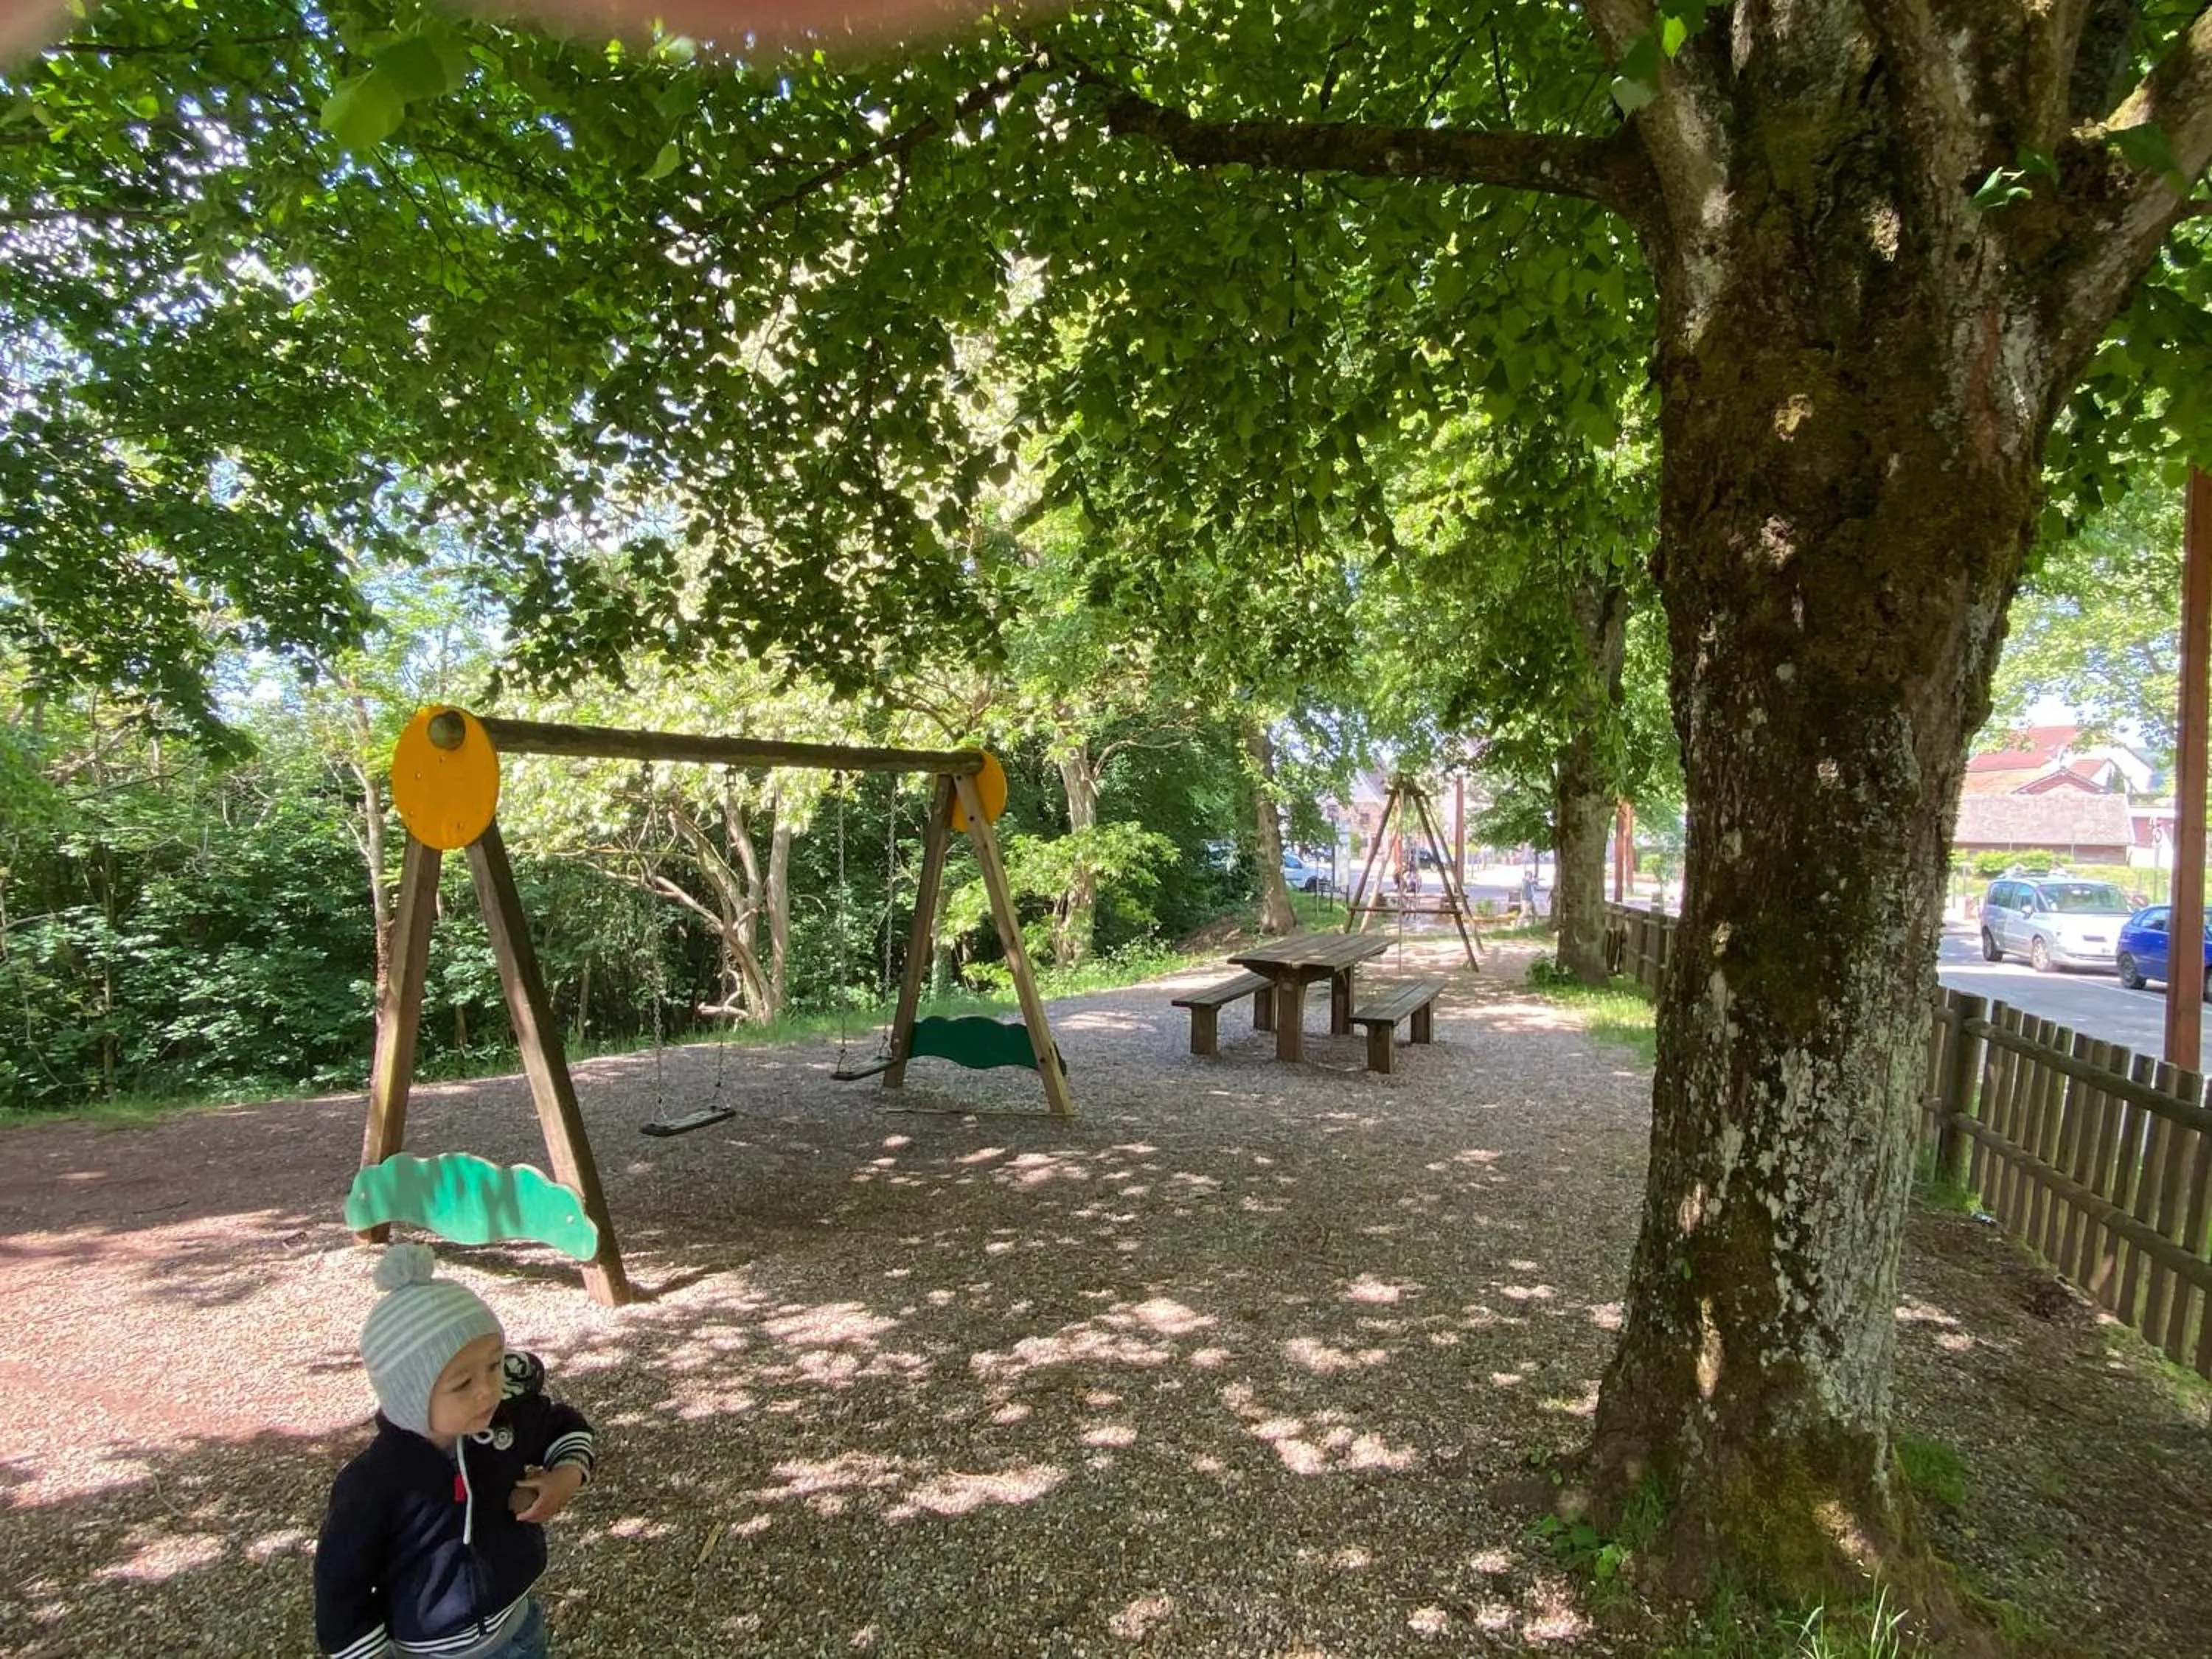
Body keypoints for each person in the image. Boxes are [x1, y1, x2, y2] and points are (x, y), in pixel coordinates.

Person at [315, 1245, 597, 1659]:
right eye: (462, 1384)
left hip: (520, 1624)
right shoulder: (376, 1483)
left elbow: (564, 1427)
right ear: (411, 1396)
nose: (487, 1390)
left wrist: (566, 1475)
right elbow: (341, 1587)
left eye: (495, 1365)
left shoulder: (502, 1422)